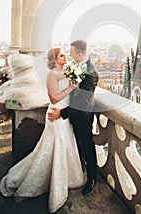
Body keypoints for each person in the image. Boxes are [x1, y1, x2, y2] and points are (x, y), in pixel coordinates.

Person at [0, 47, 84, 213]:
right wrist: (71, 88)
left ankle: (68, 178)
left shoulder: (66, 71)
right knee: (55, 144)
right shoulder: (52, 75)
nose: (65, 56)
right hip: (56, 114)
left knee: (65, 143)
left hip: (64, 115)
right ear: (54, 59)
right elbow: (53, 98)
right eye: (61, 55)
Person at [48, 40, 99, 195]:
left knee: (87, 146)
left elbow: (84, 103)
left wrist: (61, 114)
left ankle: (92, 178)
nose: (70, 55)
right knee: (75, 145)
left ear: (80, 54)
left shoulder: (91, 73)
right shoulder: (75, 66)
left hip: (82, 116)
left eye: (71, 53)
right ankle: (78, 172)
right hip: (71, 113)